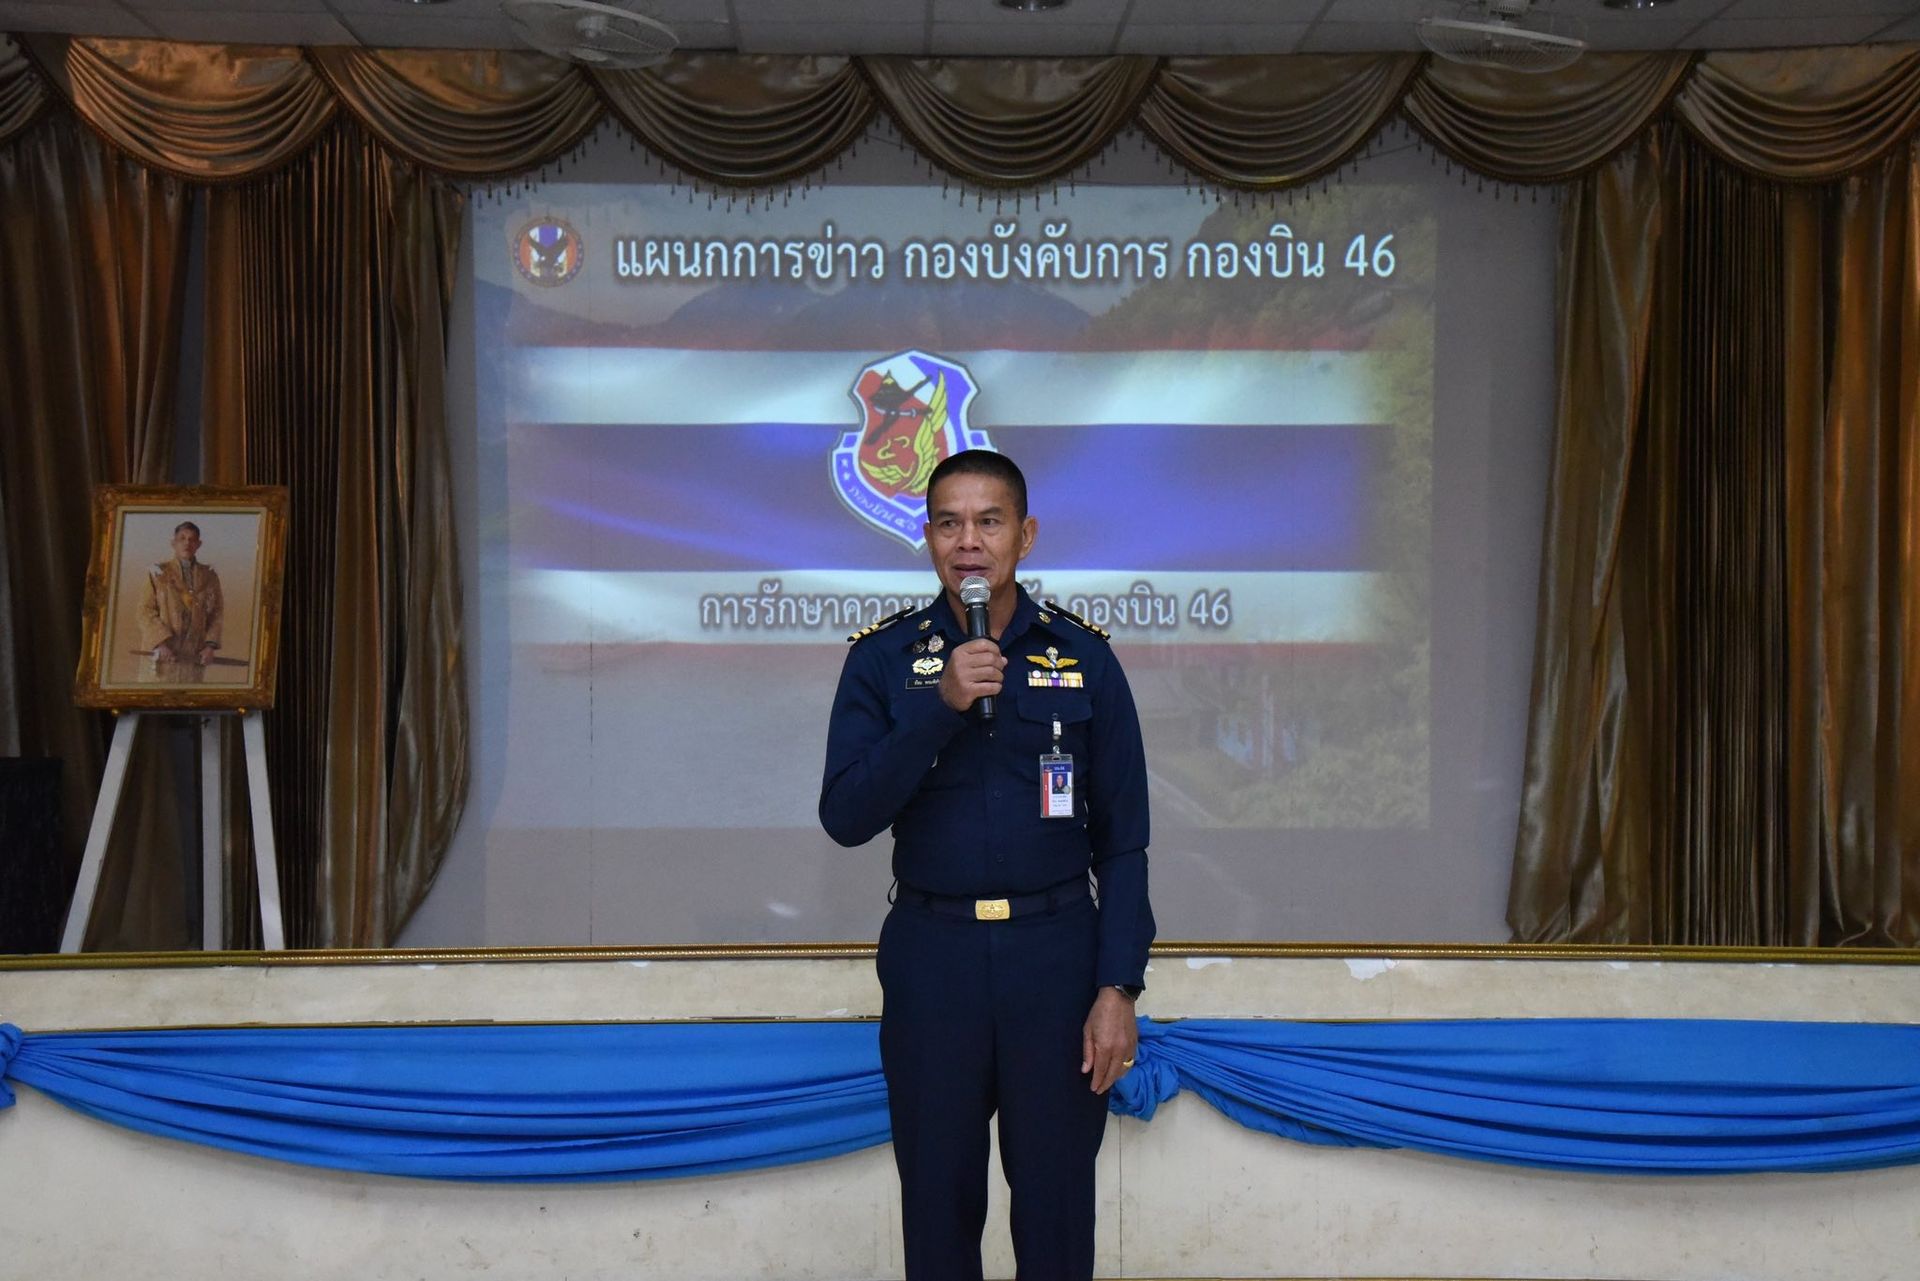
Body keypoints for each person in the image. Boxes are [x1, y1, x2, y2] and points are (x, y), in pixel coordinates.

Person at [820, 450, 1154, 1281]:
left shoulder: (1084, 657)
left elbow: (1123, 841)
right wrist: (939, 708)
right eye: (949, 523)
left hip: (1056, 960)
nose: (968, 541)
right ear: (928, 537)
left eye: (989, 521)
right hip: (934, 959)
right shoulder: (883, 660)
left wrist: (1118, 986)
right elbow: (846, 815)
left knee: (1056, 1210)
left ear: (1025, 535)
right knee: (937, 1207)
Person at [137, 520, 224, 683]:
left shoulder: (209, 576)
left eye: (192, 539)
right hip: (163, 654)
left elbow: (216, 614)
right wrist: (160, 643)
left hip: (193, 655)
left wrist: (209, 647)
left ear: (198, 544)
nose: (187, 543)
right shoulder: (158, 573)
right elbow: (145, 611)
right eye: (182, 538)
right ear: (173, 543)